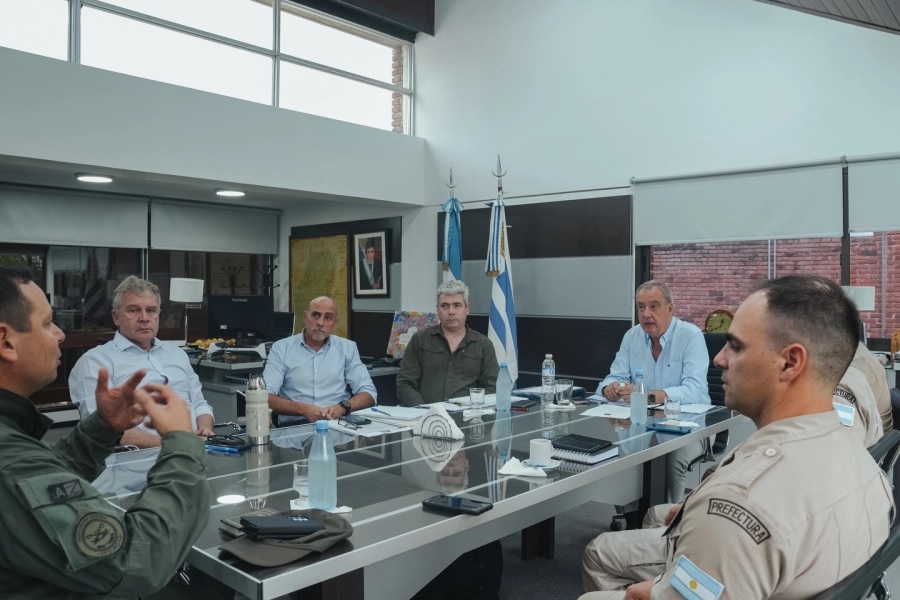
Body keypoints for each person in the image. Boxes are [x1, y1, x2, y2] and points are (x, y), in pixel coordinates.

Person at [581, 275, 894, 599]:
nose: (719, 359)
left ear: (790, 362)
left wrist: (654, 591)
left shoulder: (736, 507)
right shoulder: (867, 469)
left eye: (737, 346)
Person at [0, 267, 210, 597]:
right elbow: (137, 562)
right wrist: (180, 441)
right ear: (6, 341)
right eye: (46, 323)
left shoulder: (12, 439)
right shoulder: (10, 460)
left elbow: (41, 479)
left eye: (151, 310)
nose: (60, 335)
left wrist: (102, 429)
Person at [597, 280, 710, 505]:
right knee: (620, 453)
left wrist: (645, 396)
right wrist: (611, 389)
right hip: (640, 424)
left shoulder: (691, 336)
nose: (646, 314)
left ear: (670, 308)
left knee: (672, 456)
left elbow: (694, 391)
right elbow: (614, 376)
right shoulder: (632, 336)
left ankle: (667, 522)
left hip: (690, 427)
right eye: (641, 307)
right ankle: (631, 517)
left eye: (654, 306)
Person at [69, 276, 215, 448]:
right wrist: (175, 443)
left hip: (196, 451)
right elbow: (101, 429)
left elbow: (200, 404)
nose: (144, 318)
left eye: (151, 310)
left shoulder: (177, 354)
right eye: (133, 310)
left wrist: (205, 430)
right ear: (116, 317)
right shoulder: (94, 362)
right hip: (135, 462)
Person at [264, 296, 376, 425]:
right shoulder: (281, 348)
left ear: (335, 322)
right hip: (295, 426)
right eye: (316, 315)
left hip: (338, 424)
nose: (320, 323)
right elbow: (265, 396)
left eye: (328, 317)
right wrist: (304, 409)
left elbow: (369, 393)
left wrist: (343, 407)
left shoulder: (347, 348)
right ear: (305, 317)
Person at [397, 279, 499, 406]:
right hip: (424, 419)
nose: (451, 312)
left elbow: (492, 388)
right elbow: (405, 384)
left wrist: (473, 411)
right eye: (445, 306)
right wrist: (425, 413)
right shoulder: (419, 340)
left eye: (457, 305)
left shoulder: (483, 344)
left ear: (467, 308)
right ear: (437, 310)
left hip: (468, 418)